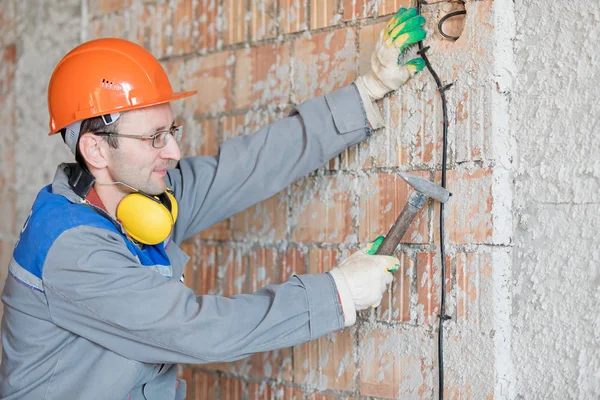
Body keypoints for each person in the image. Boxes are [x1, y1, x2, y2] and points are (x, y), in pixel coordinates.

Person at [0, 7, 426, 400]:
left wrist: (366, 92)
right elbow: (196, 331)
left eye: (171, 130)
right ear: (95, 150)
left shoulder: (136, 197)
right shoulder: (72, 249)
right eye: (153, 138)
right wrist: (338, 292)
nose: (173, 151)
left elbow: (243, 169)